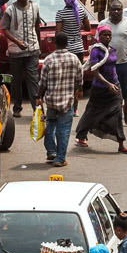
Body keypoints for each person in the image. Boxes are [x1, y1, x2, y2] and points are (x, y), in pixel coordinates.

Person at [75, 26, 127, 154]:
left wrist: (115, 83)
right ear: (99, 37)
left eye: (109, 35)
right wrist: (108, 84)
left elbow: (113, 68)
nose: (107, 37)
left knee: (118, 114)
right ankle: (81, 135)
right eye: (104, 35)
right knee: (91, 113)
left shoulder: (112, 50)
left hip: (114, 87)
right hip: (100, 89)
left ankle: (121, 144)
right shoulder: (96, 51)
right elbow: (95, 71)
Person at [38, 39, 83, 167]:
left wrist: (38, 96)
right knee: (63, 130)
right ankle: (60, 158)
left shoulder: (49, 59)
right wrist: (79, 90)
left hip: (51, 101)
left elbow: (43, 82)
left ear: (55, 44)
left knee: (50, 125)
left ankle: (51, 151)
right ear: (67, 44)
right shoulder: (74, 59)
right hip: (67, 102)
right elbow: (80, 78)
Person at [1, 0, 42, 118]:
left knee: (33, 80)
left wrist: (38, 45)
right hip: (15, 52)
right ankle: (17, 108)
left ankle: (36, 108)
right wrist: (17, 42)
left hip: (32, 50)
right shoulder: (10, 10)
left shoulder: (35, 7)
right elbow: (4, 30)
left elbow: (37, 27)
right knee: (16, 81)